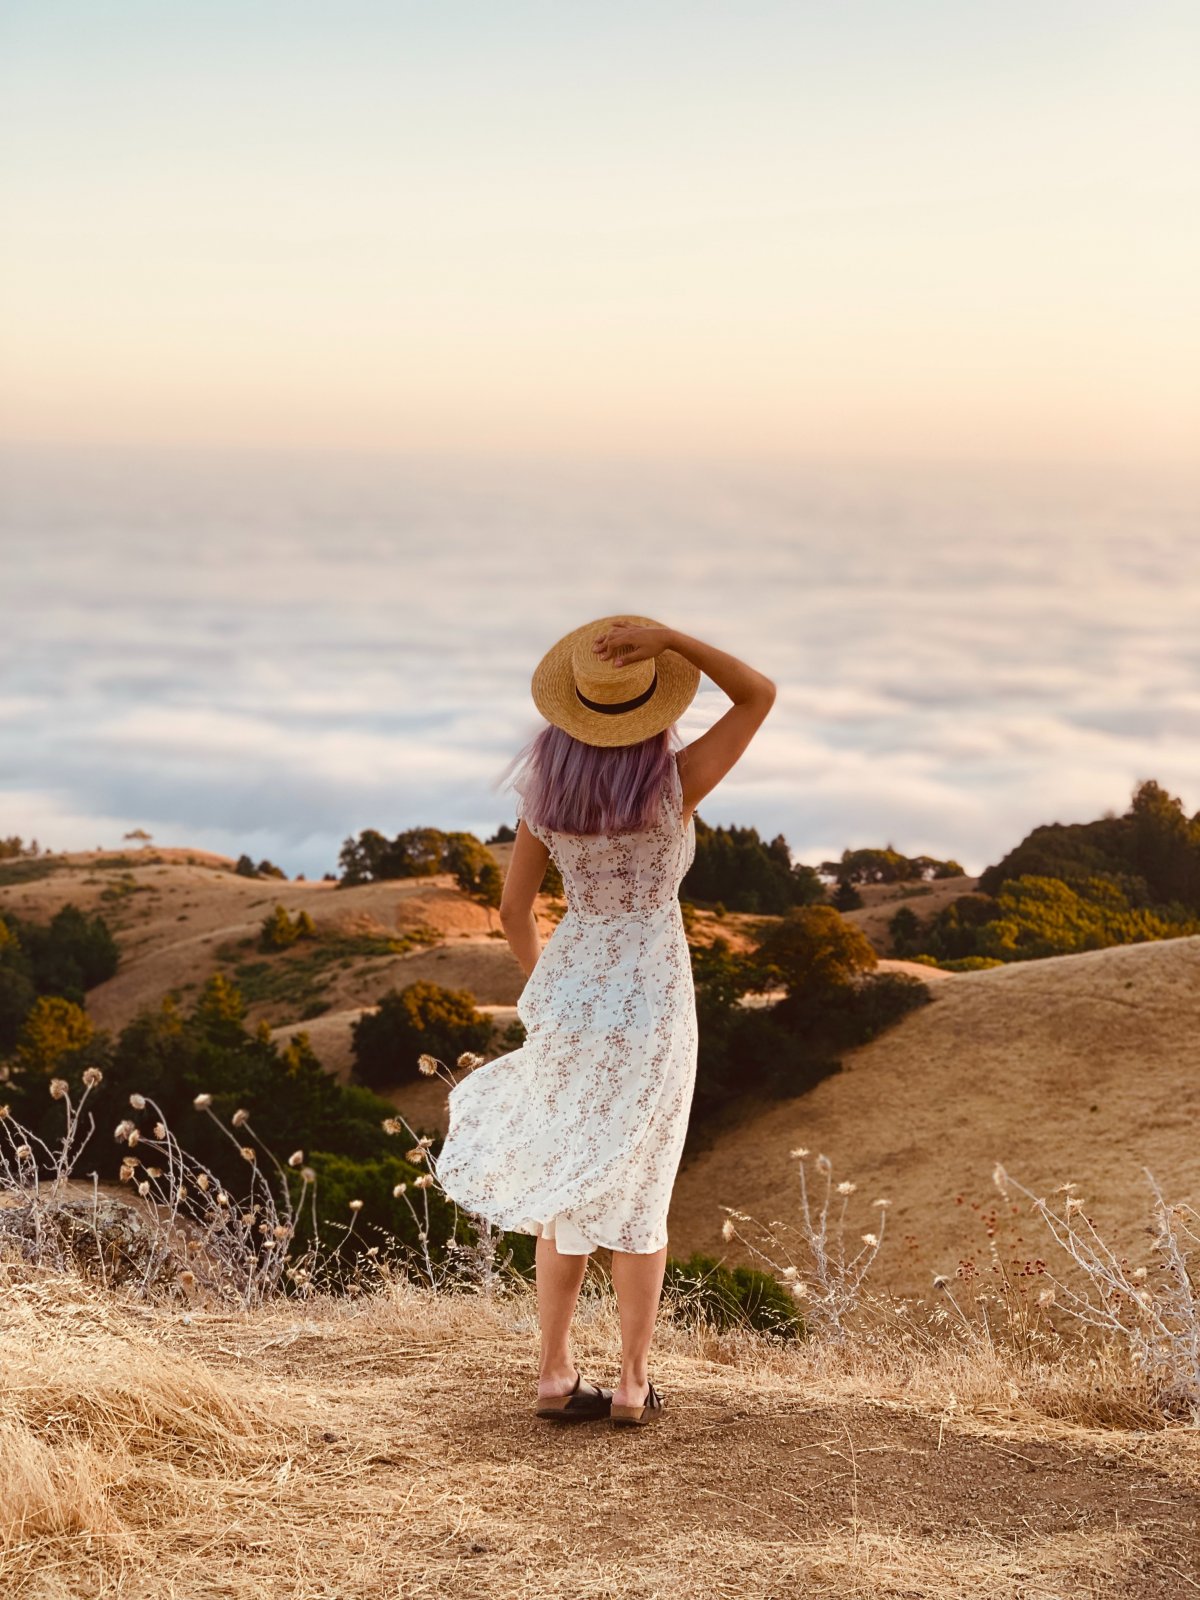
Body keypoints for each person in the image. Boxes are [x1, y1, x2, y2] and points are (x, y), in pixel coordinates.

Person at [434, 615, 776, 1426]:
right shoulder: (673, 786)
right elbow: (759, 695)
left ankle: (554, 1375)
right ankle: (630, 1383)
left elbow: (514, 910)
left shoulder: (545, 799)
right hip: (655, 994)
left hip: (574, 990)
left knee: (570, 1183)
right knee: (641, 1187)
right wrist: (676, 641)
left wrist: (552, 991)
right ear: (653, 711)